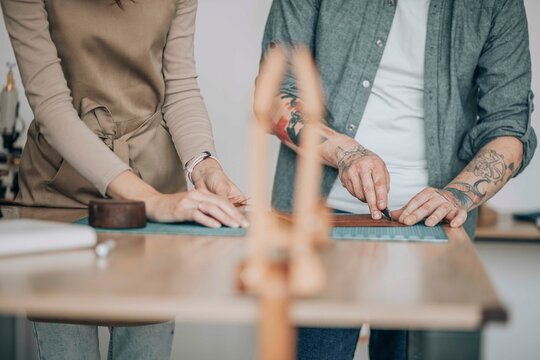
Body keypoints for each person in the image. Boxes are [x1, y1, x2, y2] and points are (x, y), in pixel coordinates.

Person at [260, 0, 537, 359]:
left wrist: (456, 196)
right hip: (318, 225)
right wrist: (348, 154)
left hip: (433, 234)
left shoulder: (497, 5)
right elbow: (273, 96)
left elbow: (509, 128)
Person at [2, 0, 248, 358]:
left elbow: (179, 88)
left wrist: (204, 164)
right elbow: (52, 107)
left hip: (156, 199)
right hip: (60, 195)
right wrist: (153, 200)